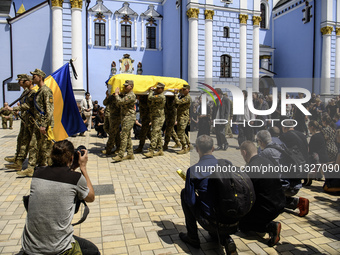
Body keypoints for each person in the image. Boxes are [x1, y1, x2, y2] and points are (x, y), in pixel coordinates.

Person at [19, 140, 99, 254]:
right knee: (92, 251)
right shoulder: (75, 178)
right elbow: (91, 197)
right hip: (58, 248)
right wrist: (83, 168)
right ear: (72, 158)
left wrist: (70, 168)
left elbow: (58, 179)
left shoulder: (37, 173)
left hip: (30, 246)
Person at [179, 135, 237, 255]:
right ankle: (226, 238)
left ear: (196, 149)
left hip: (210, 221)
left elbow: (190, 202)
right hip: (233, 218)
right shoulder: (227, 164)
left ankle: (193, 237)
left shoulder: (193, 170)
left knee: (185, 193)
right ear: (213, 148)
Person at [239, 140, 285, 247]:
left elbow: (246, 194)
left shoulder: (250, 168)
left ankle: (270, 227)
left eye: (242, 154)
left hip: (267, 209)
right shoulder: (267, 161)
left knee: (243, 226)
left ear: (245, 152)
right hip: (280, 203)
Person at [17, 69, 54, 177]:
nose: (32, 78)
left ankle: (51, 168)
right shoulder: (39, 91)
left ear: (40, 77)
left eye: (34, 76)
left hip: (44, 125)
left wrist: (44, 125)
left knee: (46, 148)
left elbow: (49, 110)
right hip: (37, 123)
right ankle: (34, 167)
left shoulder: (46, 91)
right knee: (35, 145)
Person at [6, 75, 36, 171]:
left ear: (29, 81)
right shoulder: (26, 92)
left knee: (31, 144)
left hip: (31, 121)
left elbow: (28, 106)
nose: (20, 83)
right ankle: (18, 160)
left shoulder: (33, 92)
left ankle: (30, 165)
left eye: (22, 81)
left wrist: (14, 108)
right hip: (25, 119)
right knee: (22, 140)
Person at [279, 121, 310, 217]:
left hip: (291, 167)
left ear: (284, 127)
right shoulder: (302, 134)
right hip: (302, 165)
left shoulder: (284, 137)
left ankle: (297, 202)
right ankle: (297, 202)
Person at [112, 80, 136, 162]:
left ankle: (120, 155)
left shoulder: (131, 96)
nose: (125, 87)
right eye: (124, 86)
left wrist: (116, 94)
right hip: (125, 117)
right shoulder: (126, 95)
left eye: (127, 86)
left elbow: (120, 102)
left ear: (131, 86)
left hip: (129, 117)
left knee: (124, 136)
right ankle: (130, 154)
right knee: (128, 136)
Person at [144, 82, 166, 158]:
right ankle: (160, 150)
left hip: (159, 117)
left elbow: (150, 98)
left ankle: (151, 151)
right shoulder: (157, 95)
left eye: (158, 88)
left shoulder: (161, 96)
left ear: (162, 89)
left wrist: (150, 91)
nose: (156, 89)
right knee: (158, 133)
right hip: (155, 116)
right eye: (156, 87)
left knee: (154, 133)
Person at [102, 89, 121, 155]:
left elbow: (120, 104)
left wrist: (116, 95)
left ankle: (109, 149)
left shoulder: (119, 96)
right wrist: (107, 96)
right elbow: (104, 103)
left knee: (113, 132)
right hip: (110, 115)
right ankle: (118, 147)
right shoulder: (110, 96)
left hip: (116, 117)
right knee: (109, 130)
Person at [174, 85, 191, 154]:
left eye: (184, 90)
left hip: (183, 117)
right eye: (182, 90)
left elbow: (178, 102)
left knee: (180, 133)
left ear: (188, 90)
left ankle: (184, 148)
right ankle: (189, 145)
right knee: (183, 132)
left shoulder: (187, 98)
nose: (183, 91)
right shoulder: (183, 96)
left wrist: (175, 94)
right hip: (180, 116)